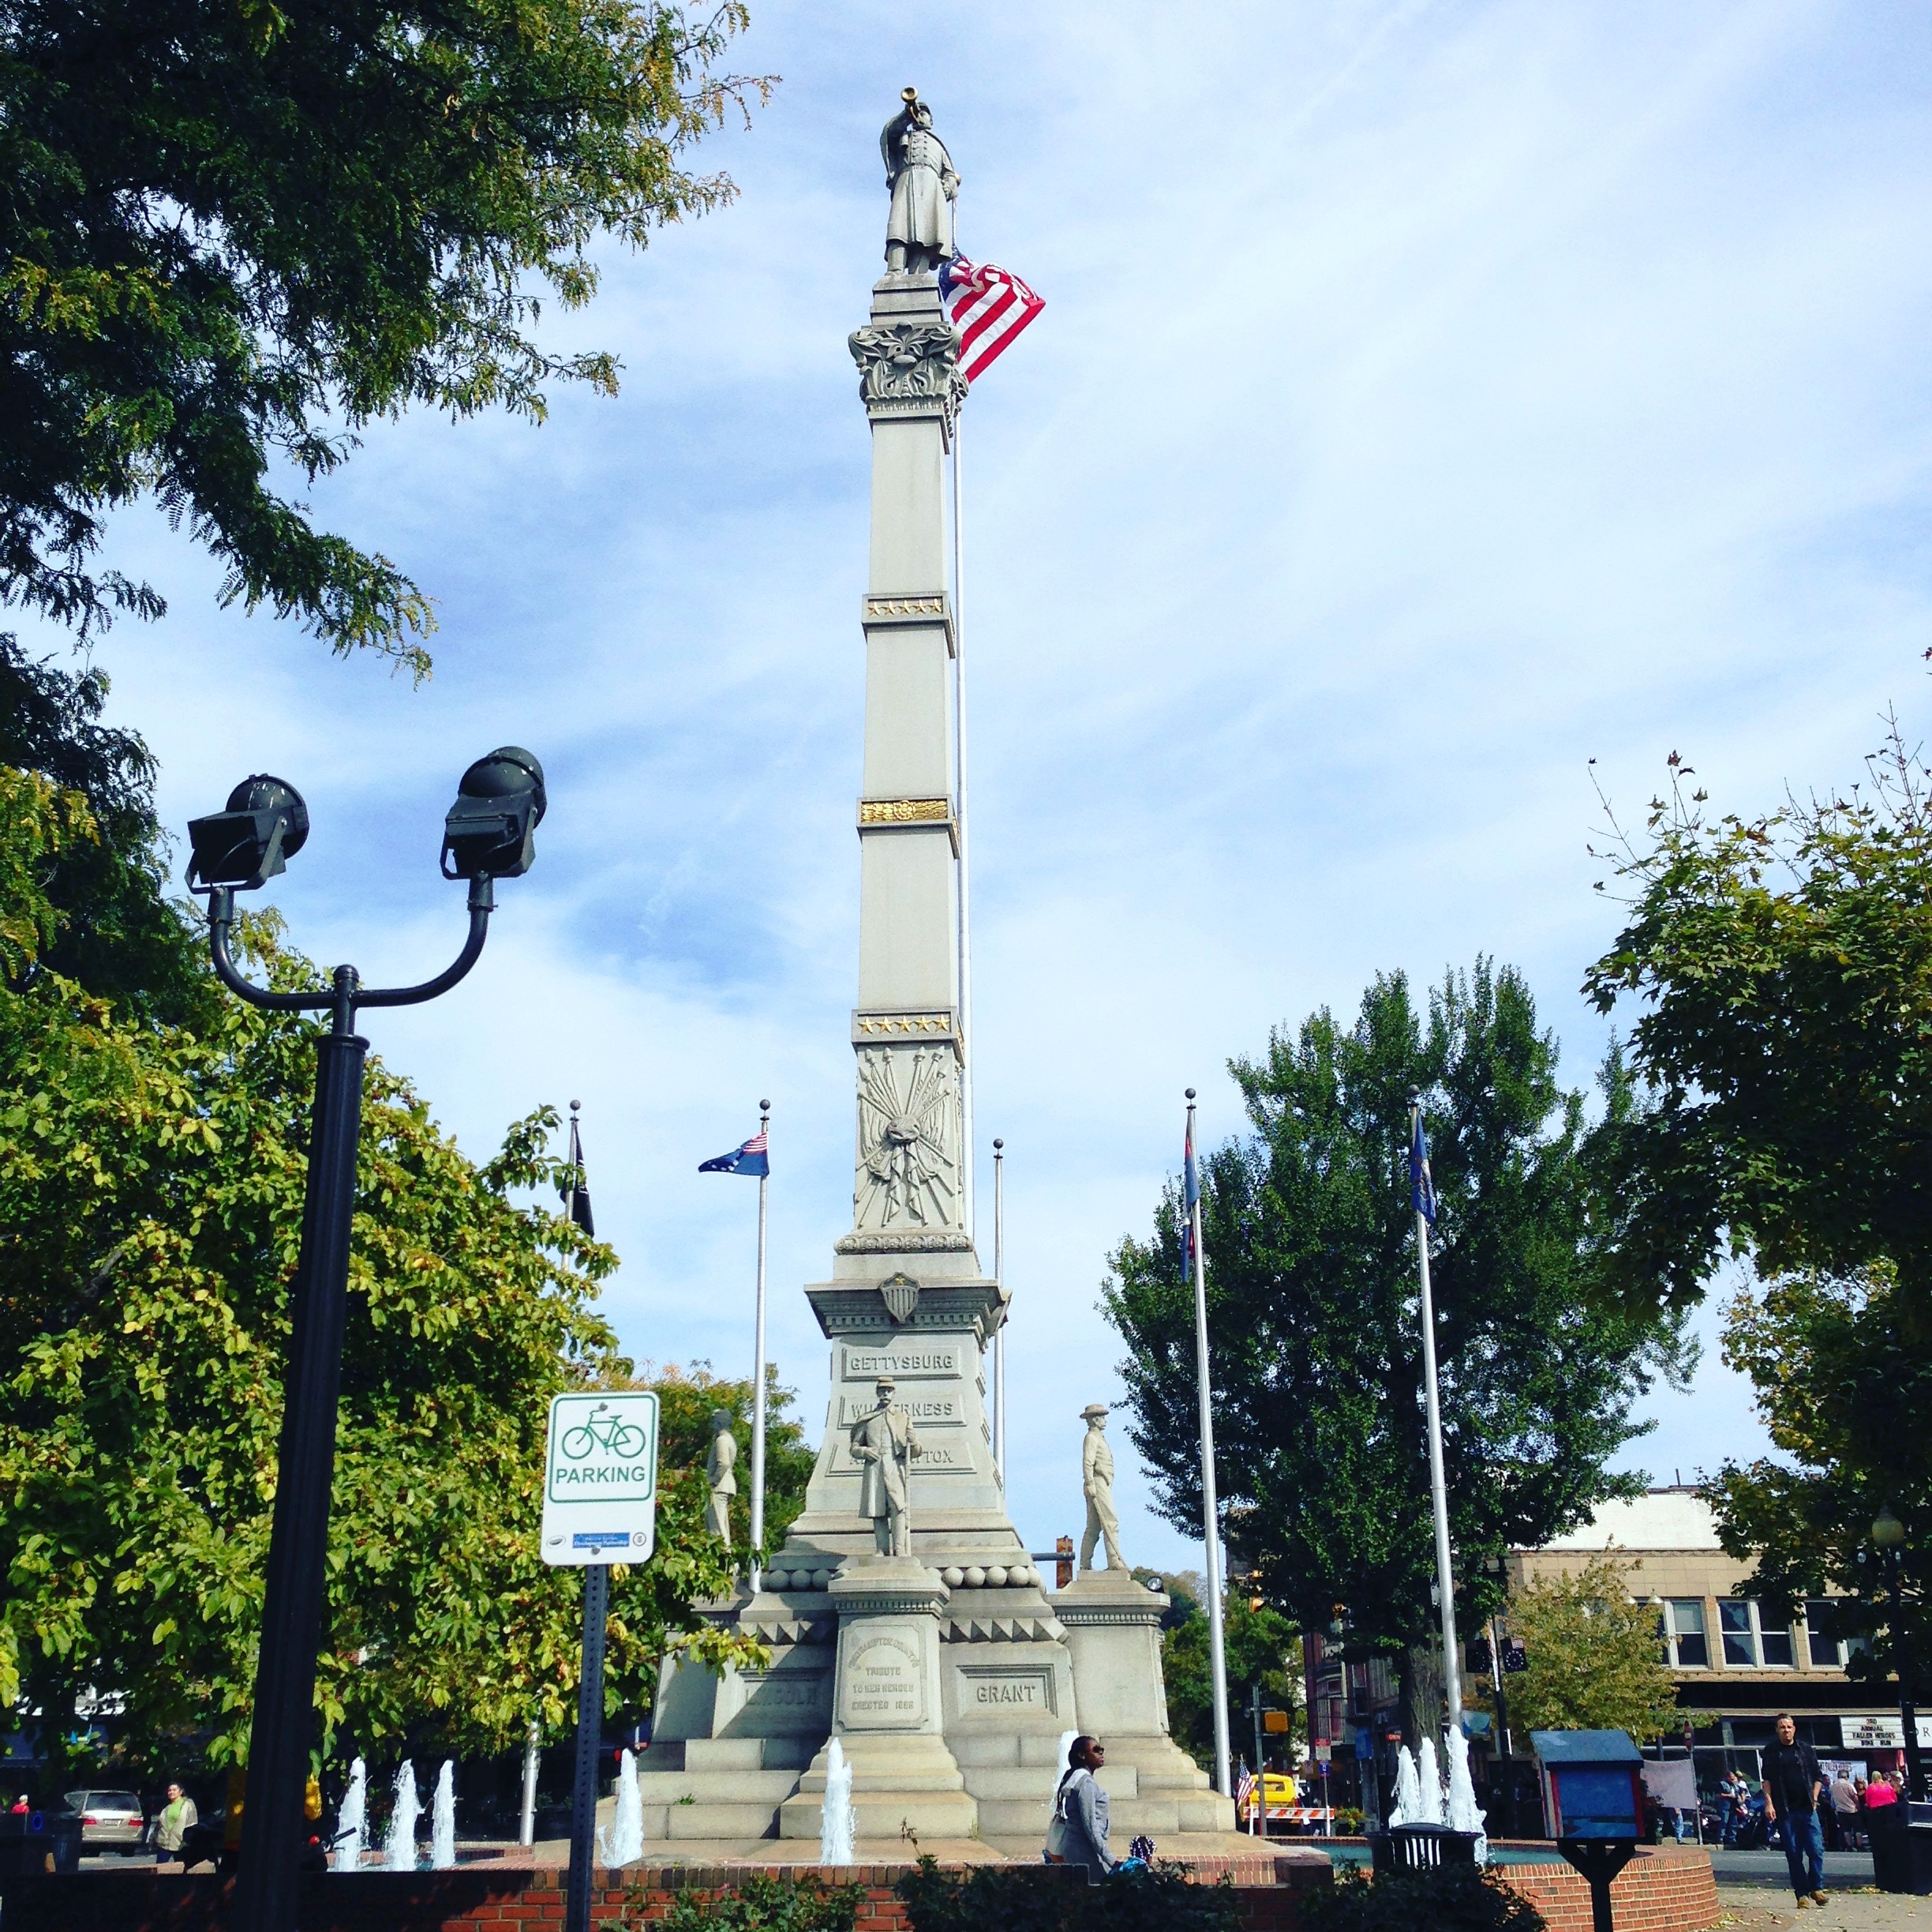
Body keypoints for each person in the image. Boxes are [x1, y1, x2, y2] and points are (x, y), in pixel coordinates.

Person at [1761, 1713, 1827, 1908]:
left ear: (1794, 1728)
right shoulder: (1771, 1751)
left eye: (1789, 1727)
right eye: (1782, 1727)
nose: (1786, 1730)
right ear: (1777, 1730)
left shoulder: (1805, 1749)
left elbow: (1817, 1777)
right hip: (1786, 1810)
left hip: (1807, 1808)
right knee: (1793, 1852)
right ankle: (1802, 1895)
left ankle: (1817, 1887)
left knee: (1816, 1850)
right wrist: (1769, 1803)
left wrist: (1814, 1798)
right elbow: (1766, 1780)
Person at [1045, 1735, 1113, 1879]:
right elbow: (1091, 1828)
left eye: (1101, 1749)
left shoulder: (1074, 1779)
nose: (1101, 1753)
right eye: (1096, 1750)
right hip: (1087, 1854)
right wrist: (1112, 1860)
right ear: (1082, 1755)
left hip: (1074, 1851)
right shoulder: (1085, 1784)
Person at [153, 1782, 197, 1866]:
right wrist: (155, 1838)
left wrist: (188, 1840)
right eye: (169, 1790)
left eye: (174, 1790)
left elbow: (192, 1823)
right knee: (159, 1868)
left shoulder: (188, 1804)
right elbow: (159, 1825)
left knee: (182, 1868)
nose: (171, 1792)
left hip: (181, 1843)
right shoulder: (167, 1808)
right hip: (164, 1843)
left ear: (180, 1792)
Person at [1829, 1768, 1859, 1852]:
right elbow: (1855, 1796)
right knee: (1857, 1829)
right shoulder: (1849, 1785)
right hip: (1852, 1809)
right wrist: (1858, 1806)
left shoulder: (1833, 1786)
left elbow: (1832, 1799)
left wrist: (1834, 1808)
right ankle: (1859, 1845)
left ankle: (1849, 1846)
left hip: (1840, 1810)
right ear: (1846, 1777)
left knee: (1846, 1829)